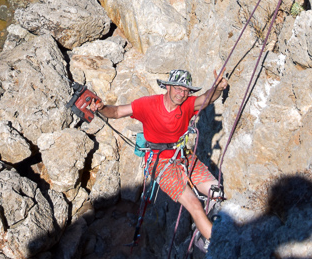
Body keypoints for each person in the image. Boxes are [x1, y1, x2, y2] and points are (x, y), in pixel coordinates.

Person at [94, 68, 228, 248]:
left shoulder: (187, 104)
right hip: (160, 164)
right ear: (168, 87)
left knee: (216, 191)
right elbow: (117, 112)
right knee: (194, 204)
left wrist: (218, 89)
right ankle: (218, 246)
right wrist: (102, 109)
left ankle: (207, 227)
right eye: (178, 89)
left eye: (186, 90)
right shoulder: (147, 104)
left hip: (183, 157)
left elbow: (207, 99)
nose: (181, 94)